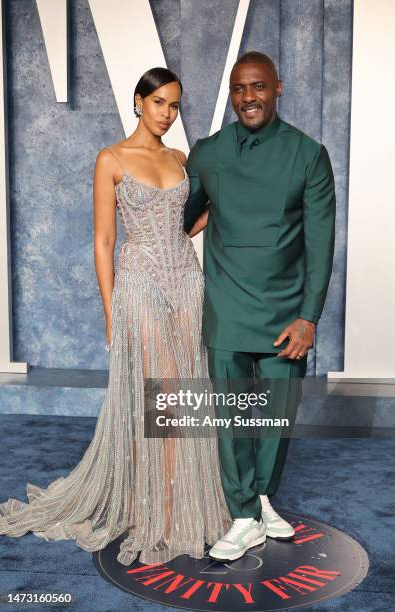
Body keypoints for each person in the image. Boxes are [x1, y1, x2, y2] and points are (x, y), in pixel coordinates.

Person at [0, 67, 231, 566]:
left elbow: (184, 225)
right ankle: (153, 506)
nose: (167, 114)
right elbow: (104, 243)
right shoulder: (111, 159)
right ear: (138, 101)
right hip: (139, 282)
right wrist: (110, 311)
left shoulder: (179, 158)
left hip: (187, 281)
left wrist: (224, 204)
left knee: (184, 386)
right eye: (160, 103)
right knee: (155, 390)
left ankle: (177, 503)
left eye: (175, 105)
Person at [184, 51, 336, 561]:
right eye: (239, 89)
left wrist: (309, 316)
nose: (248, 97)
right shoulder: (207, 153)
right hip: (227, 307)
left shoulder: (308, 154)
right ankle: (244, 514)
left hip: (286, 312)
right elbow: (181, 219)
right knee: (232, 417)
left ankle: (262, 498)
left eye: (258, 87)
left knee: (273, 418)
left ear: (278, 88)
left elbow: (321, 243)